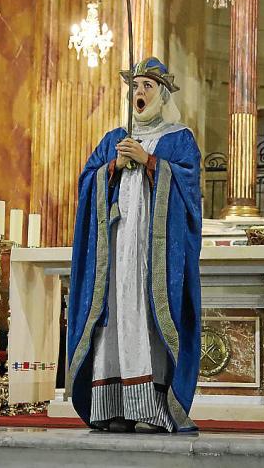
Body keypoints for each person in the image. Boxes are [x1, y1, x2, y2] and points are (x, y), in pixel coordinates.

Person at [68, 57, 202, 434]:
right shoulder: (114, 138)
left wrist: (150, 162)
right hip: (115, 249)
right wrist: (111, 168)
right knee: (114, 317)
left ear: (163, 95)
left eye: (147, 86)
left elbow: (190, 190)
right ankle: (113, 407)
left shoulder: (179, 138)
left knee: (145, 317)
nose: (139, 93)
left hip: (152, 253)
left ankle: (152, 408)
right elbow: (86, 181)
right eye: (135, 86)